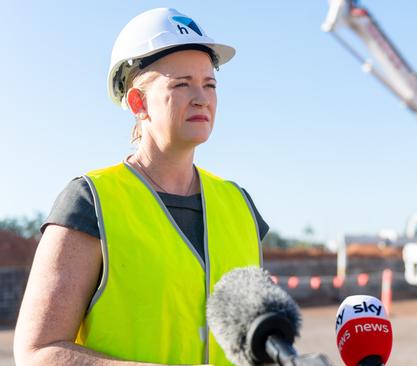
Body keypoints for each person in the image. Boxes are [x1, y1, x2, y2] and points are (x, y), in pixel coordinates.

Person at [14, 8, 268, 366]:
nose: (201, 97)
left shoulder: (239, 206)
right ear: (138, 102)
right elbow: (37, 352)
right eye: (181, 84)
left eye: (209, 84)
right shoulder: (91, 203)